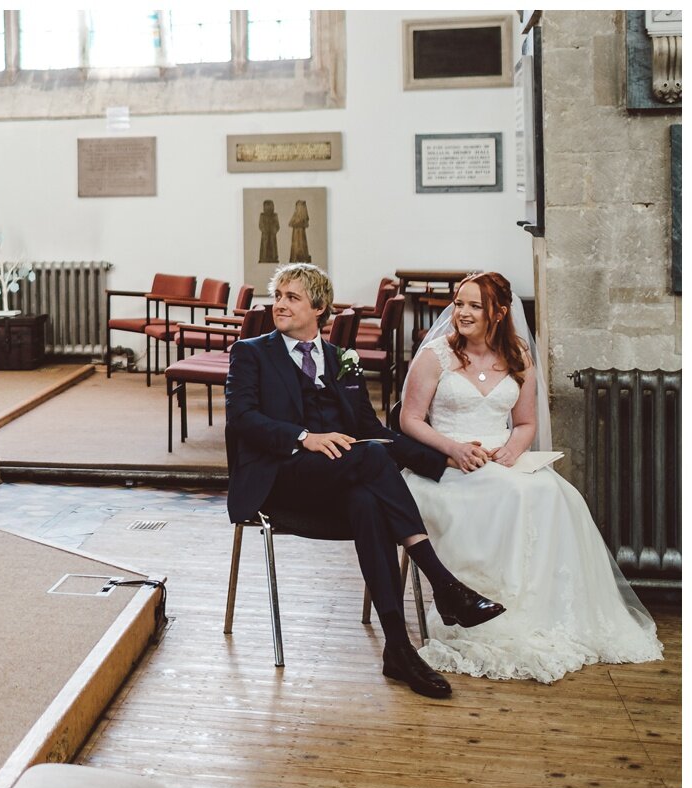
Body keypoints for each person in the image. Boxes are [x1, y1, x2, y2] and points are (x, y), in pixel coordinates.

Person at [225, 263, 505, 699]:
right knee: (371, 462)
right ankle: (444, 584)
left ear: (320, 308)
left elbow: (374, 432)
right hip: (280, 479)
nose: (279, 304)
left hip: (336, 481)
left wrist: (447, 455)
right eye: (277, 296)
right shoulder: (251, 353)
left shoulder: (340, 360)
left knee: (367, 501)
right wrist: (305, 437)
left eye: (292, 297)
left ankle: (398, 648)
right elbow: (242, 420)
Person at [399, 271, 663, 682]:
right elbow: (409, 419)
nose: (462, 313)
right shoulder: (435, 356)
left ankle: (538, 609)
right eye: (459, 303)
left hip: (502, 462)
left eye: (474, 306)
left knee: (559, 495)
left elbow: (524, 423)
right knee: (515, 497)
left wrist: (513, 449)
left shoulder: (518, 354)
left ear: (499, 313)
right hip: (445, 467)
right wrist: (453, 449)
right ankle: (480, 606)